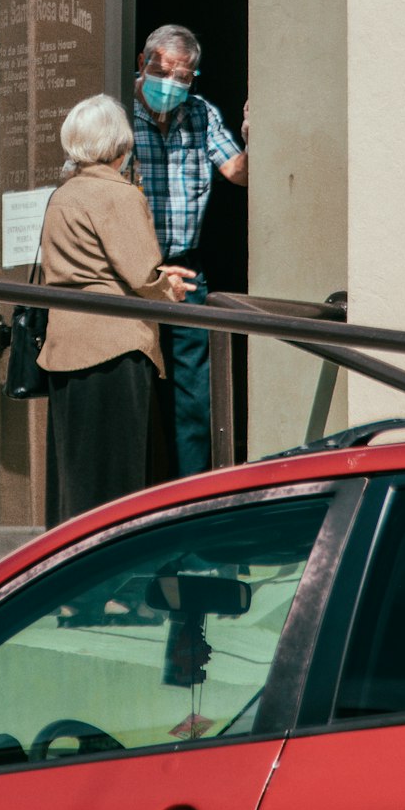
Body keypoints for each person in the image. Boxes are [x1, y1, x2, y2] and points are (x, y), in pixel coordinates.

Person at [38, 94, 195, 529]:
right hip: (114, 345)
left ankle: (71, 576)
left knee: (76, 475)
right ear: (120, 145)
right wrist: (173, 288)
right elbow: (143, 274)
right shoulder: (119, 194)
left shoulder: (63, 195)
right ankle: (113, 588)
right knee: (119, 479)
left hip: (65, 345)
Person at [133, 25, 248, 479]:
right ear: (142, 63)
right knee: (132, 385)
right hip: (133, 271)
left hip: (185, 268)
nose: (170, 85)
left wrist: (256, 135)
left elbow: (237, 172)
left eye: (182, 77)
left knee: (193, 395)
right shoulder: (118, 116)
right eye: (162, 72)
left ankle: (189, 490)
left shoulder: (200, 114)